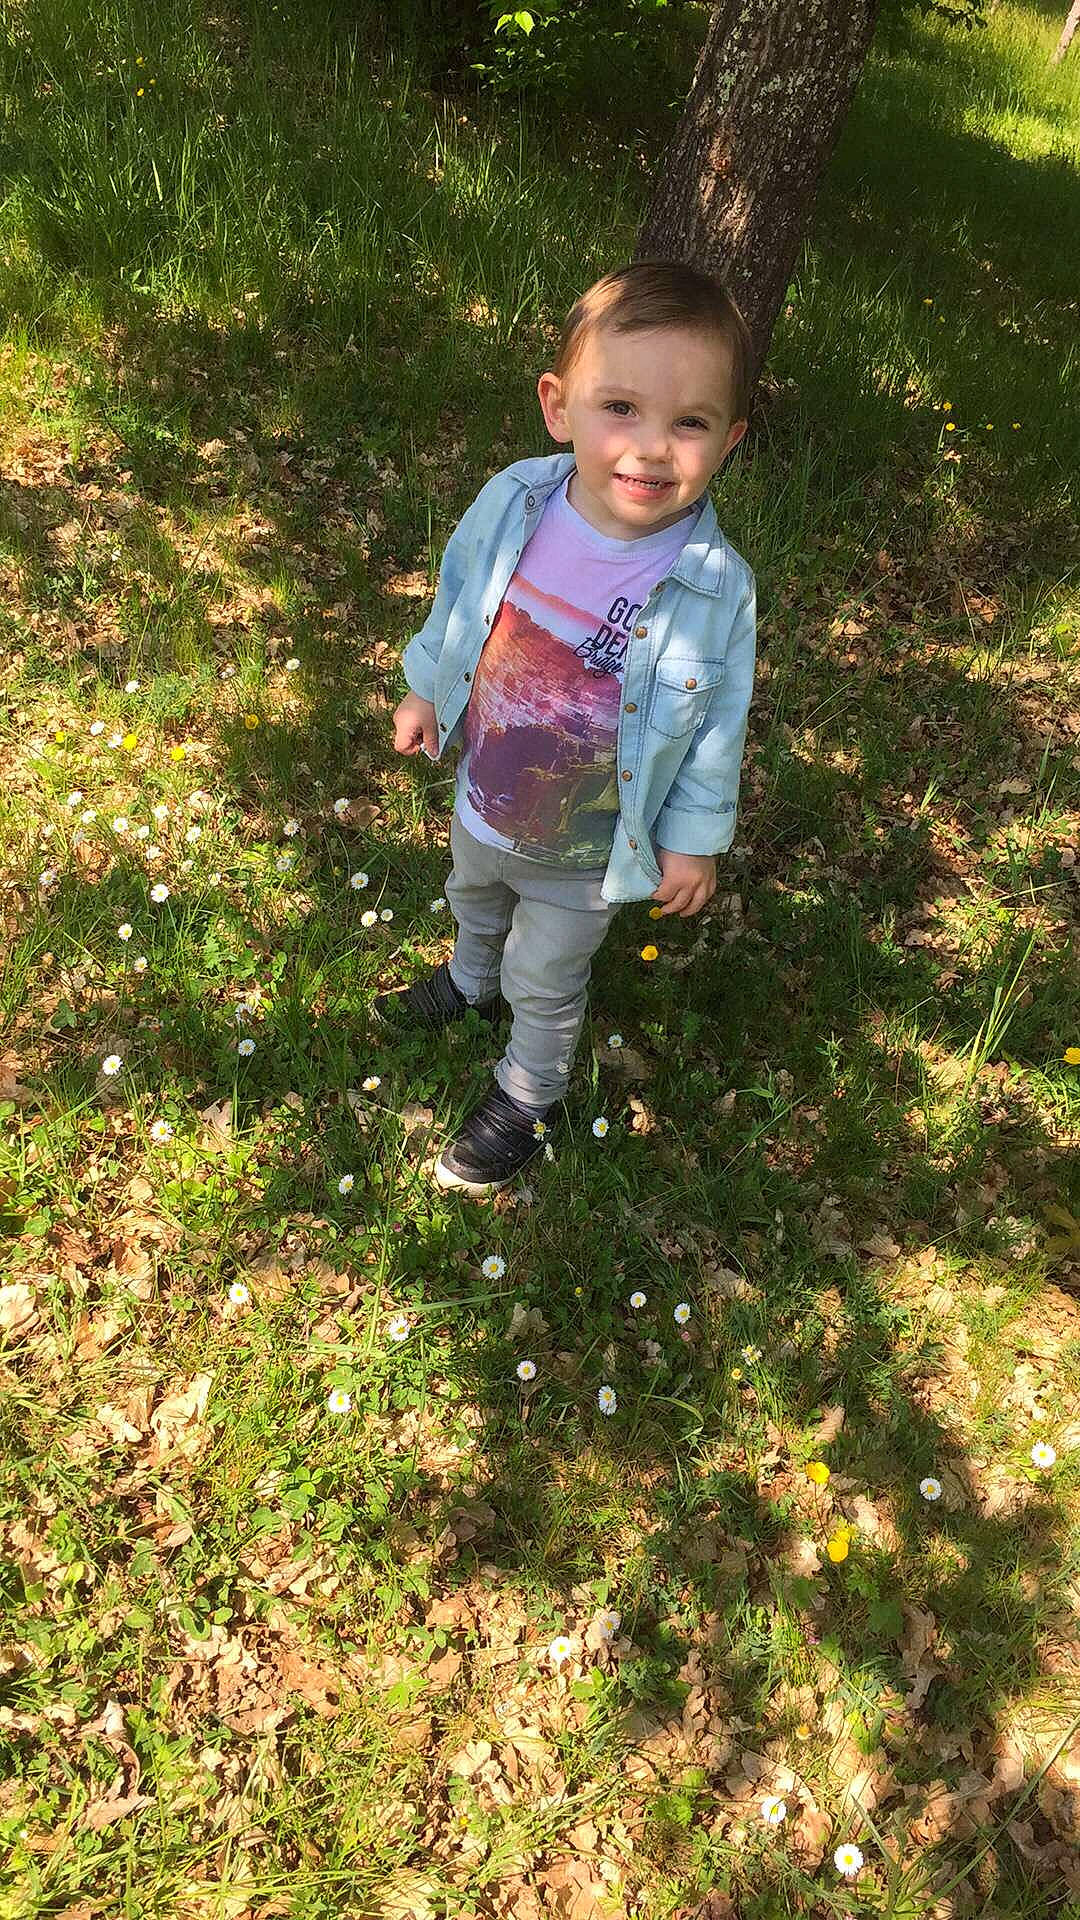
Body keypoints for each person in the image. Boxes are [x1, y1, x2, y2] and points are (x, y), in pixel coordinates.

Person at [378, 258, 757, 1196]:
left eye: (690, 423)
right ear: (559, 407)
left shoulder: (715, 587)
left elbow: (718, 724)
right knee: (471, 897)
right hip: (486, 787)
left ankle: (530, 1090)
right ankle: (467, 983)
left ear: (730, 438)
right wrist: (428, 689)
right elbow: (461, 601)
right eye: (619, 408)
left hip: (589, 846)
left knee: (545, 974)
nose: (651, 448)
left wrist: (694, 841)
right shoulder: (517, 502)